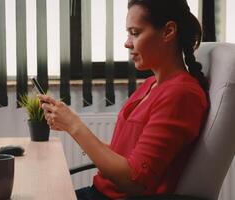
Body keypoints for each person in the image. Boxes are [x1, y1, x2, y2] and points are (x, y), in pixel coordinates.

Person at [38, 0, 209, 199]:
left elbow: (135, 181)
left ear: (168, 31)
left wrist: (75, 126)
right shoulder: (151, 84)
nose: (127, 42)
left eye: (135, 33)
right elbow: (127, 156)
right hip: (98, 192)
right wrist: (70, 125)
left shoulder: (181, 95)